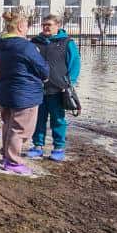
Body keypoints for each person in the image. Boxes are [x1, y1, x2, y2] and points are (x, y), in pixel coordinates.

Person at [0, 12, 50, 175]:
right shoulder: (26, 46)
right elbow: (43, 69)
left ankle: (6, 154)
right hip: (25, 93)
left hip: (5, 91)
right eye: (26, 26)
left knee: (8, 125)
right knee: (20, 129)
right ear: (19, 26)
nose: (27, 29)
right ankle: (13, 161)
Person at [29, 14, 81, 162]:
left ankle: (58, 148)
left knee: (58, 120)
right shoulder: (34, 42)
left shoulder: (67, 42)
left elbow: (75, 63)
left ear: (57, 26)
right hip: (38, 88)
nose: (46, 27)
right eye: (44, 24)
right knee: (39, 119)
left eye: (49, 24)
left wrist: (70, 83)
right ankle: (37, 146)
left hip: (59, 89)